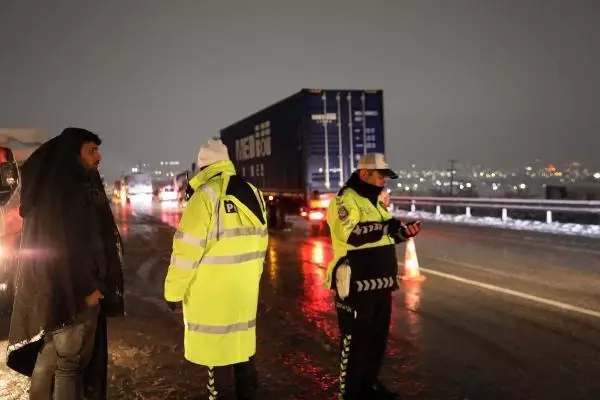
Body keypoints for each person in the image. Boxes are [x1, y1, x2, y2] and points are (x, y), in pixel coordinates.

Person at [6, 127, 125, 400]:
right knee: (70, 363)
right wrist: (88, 289)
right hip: (75, 294)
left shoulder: (55, 188)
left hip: (55, 292)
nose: (99, 157)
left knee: (51, 353)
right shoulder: (68, 193)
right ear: (73, 153)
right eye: (91, 150)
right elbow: (68, 248)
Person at [164, 139, 268, 400]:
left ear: (203, 166)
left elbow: (186, 252)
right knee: (242, 354)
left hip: (212, 300)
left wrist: (173, 292)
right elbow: (262, 244)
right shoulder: (252, 192)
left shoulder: (205, 197)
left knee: (217, 360)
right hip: (243, 295)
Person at [325, 153, 421, 400]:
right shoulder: (344, 201)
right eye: (381, 176)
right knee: (354, 345)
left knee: (376, 344)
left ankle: (367, 389)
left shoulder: (375, 203)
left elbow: (388, 235)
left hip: (381, 283)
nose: (384, 182)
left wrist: (403, 232)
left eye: (386, 177)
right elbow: (353, 234)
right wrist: (386, 227)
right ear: (364, 173)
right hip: (355, 285)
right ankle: (350, 394)